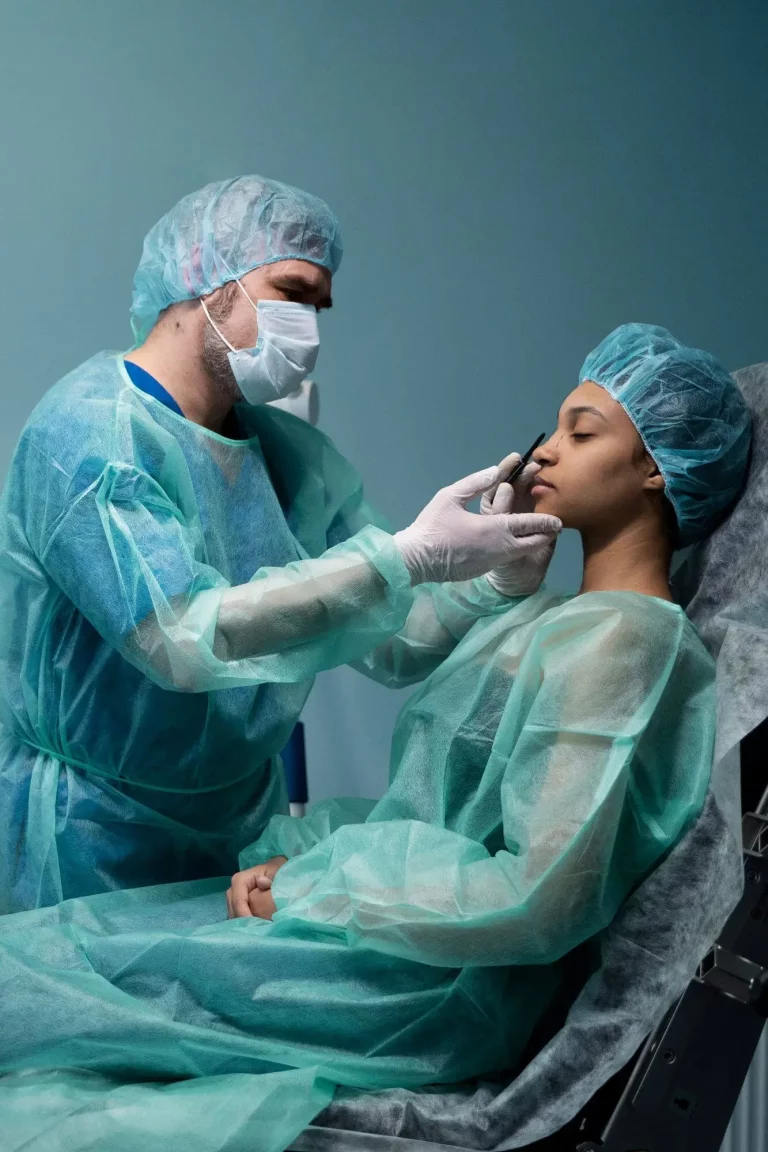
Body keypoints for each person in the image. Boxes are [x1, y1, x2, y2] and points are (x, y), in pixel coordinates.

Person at [0, 325, 751, 1152]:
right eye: (554, 428)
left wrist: (312, 890)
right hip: (384, 944)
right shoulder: (552, 621)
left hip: (428, 990)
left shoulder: (625, 644)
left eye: (583, 431)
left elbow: (537, 897)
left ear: (656, 469)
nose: (542, 454)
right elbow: (425, 798)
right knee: (48, 969)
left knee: (42, 994)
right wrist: (298, 855)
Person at [0, 175, 560, 913]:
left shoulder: (291, 460)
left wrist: (491, 580)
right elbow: (180, 637)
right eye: (291, 293)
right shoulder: (90, 438)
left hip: (237, 842)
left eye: (319, 306)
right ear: (205, 270)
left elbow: (388, 639)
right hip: (89, 840)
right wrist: (404, 556)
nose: (310, 331)